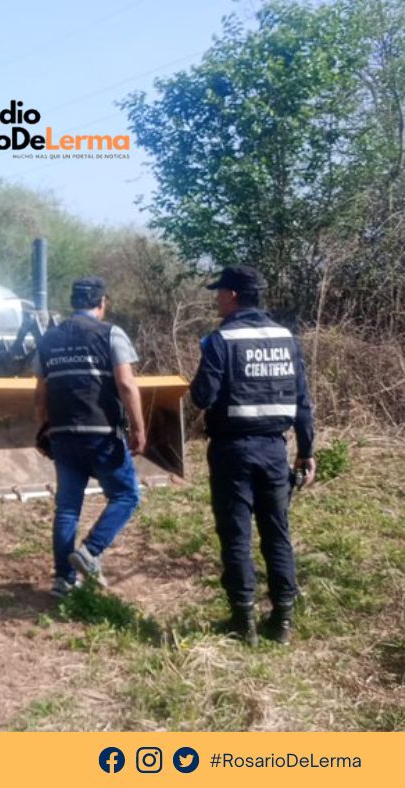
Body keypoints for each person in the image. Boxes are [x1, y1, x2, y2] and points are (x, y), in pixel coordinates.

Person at [190, 266, 316, 646]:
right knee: (277, 535)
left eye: (219, 292)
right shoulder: (286, 339)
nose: (216, 299)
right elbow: (303, 403)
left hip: (232, 452)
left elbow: (202, 397)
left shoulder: (221, 340)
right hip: (276, 451)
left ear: (232, 295)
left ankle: (243, 620)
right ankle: (282, 622)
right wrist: (306, 452)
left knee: (236, 535)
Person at [34, 277, 147, 598]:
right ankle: (90, 551)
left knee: (68, 508)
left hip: (62, 436)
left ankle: (63, 581)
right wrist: (139, 429)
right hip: (101, 434)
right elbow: (126, 385)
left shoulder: (48, 340)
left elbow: (39, 395)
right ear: (102, 303)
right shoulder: (110, 334)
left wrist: (43, 430)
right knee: (126, 495)